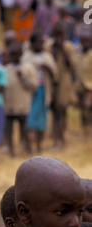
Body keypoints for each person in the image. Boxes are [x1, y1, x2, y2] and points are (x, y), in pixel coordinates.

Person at [21, 33, 57, 153]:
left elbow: (55, 74)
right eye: (37, 42)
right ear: (32, 43)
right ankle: (28, 146)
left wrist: (47, 67)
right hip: (30, 91)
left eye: (42, 42)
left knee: (42, 118)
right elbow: (23, 73)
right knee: (30, 117)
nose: (40, 45)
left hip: (44, 90)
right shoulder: (27, 56)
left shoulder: (47, 56)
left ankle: (39, 146)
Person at [45, 21, 77, 149]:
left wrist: (63, 50)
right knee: (54, 110)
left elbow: (72, 65)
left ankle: (61, 138)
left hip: (64, 82)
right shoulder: (49, 46)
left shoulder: (68, 46)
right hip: (51, 82)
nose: (59, 38)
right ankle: (56, 137)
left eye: (61, 35)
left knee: (61, 110)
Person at [4, 41, 37, 156]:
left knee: (24, 128)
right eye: (11, 54)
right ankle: (11, 150)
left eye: (16, 54)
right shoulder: (6, 69)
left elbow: (33, 85)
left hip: (23, 104)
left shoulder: (27, 68)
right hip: (9, 104)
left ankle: (27, 149)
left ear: (21, 54)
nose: (13, 57)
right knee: (9, 129)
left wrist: (23, 77)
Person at [74, 29, 92, 132]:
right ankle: (84, 129)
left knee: (88, 108)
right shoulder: (78, 55)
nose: (84, 43)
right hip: (79, 86)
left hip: (89, 86)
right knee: (82, 109)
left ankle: (89, 129)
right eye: (83, 41)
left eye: (87, 41)